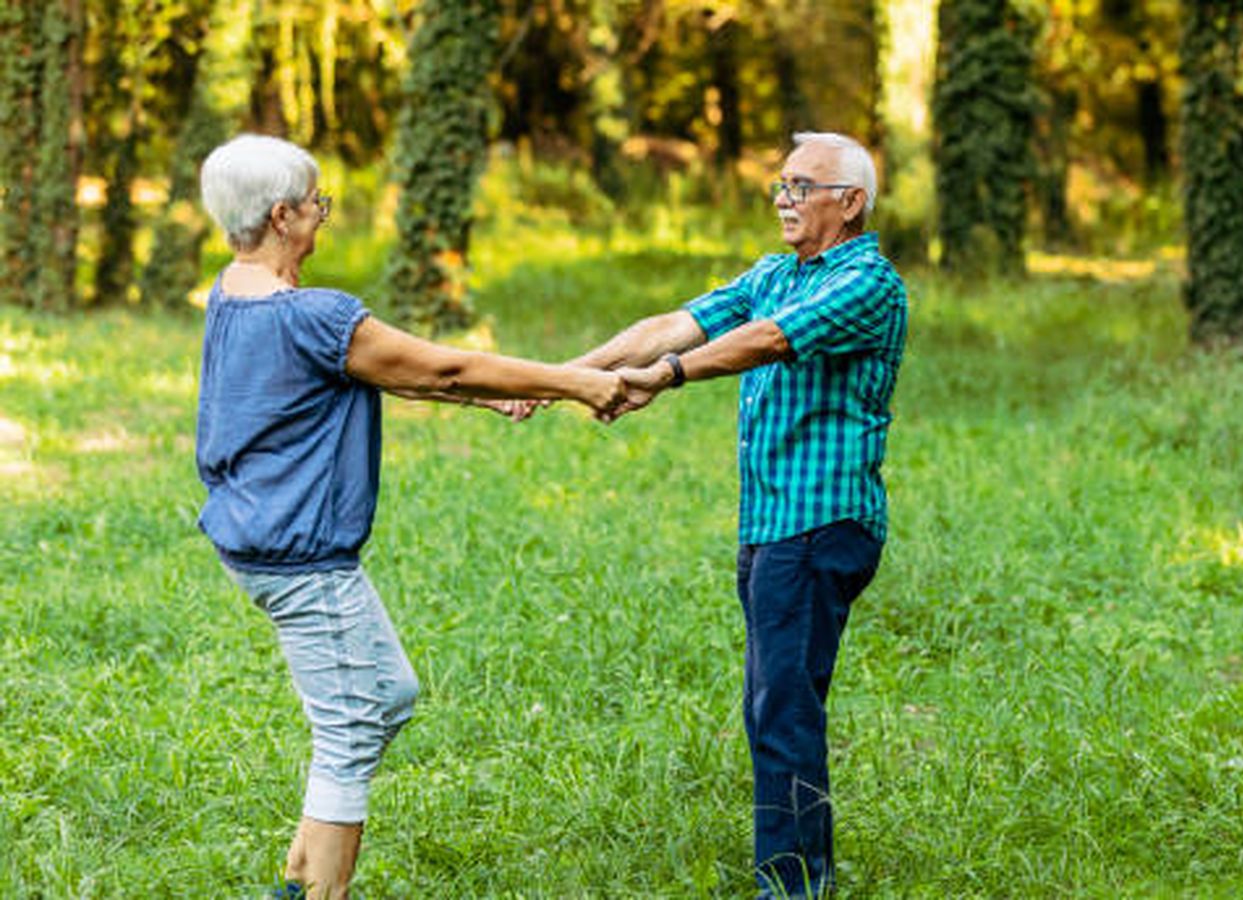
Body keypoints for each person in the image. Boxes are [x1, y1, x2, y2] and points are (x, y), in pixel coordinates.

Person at [193, 133, 626, 900]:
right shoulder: (315, 317)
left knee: (385, 694)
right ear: (283, 216)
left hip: (261, 541)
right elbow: (443, 364)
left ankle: (298, 880)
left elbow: (395, 373)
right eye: (318, 204)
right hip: (301, 556)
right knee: (355, 723)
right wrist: (575, 383)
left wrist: (485, 397)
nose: (323, 217)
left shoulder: (231, 296)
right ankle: (315, 892)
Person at [578, 131, 908, 898]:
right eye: (781, 185)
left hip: (820, 523)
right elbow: (673, 325)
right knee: (772, 705)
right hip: (771, 525)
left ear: (850, 203)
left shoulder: (868, 283)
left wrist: (665, 377)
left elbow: (767, 340)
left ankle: (793, 886)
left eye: (801, 187)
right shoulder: (774, 273)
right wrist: (562, 377)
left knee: (783, 708)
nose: (784, 200)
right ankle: (797, 874)